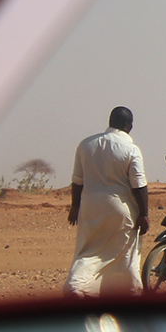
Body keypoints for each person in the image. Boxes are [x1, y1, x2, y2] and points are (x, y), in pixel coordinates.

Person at [65, 106, 149, 295]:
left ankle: (76, 286)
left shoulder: (86, 144)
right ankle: (131, 292)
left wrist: (75, 206)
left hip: (90, 207)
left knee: (89, 250)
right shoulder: (131, 149)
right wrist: (144, 214)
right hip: (121, 207)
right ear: (129, 125)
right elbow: (139, 186)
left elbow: (77, 181)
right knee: (126, 252)